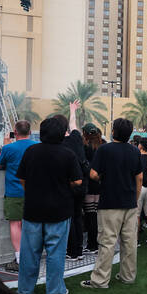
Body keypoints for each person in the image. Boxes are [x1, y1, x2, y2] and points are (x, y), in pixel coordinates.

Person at [15, 116, 83, 294]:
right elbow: (77, 180)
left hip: (33, 210)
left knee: (29, 253)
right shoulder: (68, 154)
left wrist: (32, 191)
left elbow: (22, 178)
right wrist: (62, 186)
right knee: (56, 253)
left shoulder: (31, 151)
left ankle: (25, 290)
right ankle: (54, 291)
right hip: (59, 211)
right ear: (62, 134)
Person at [83, 118, 142, 290]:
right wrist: (135, 198)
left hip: (109, 202)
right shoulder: (134, 151)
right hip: (130, 202)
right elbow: (139, 178)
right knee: (129, 242)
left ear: (114, 131)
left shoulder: (104, 149)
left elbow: (93, 174)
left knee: (107, 242)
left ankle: (100, 280)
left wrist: (102, 177)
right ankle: (128, 276)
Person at [0, 120, 36, 272]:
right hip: (34, 192)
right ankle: (31, 256)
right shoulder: (36, 146)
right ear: (30, 132)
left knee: (15, 224)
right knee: (32, 225)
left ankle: (19, 259)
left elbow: (0, 164)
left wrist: (5, 145)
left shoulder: (8, 148)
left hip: (14, 192)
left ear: (15, 132)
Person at [60, 111, 88, 260]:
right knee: (78, 216)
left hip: (68, 185)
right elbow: (73, 125)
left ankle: (72, 251)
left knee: (69, 218)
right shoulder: (76, 138)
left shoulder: (59, 143)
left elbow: (71, 125)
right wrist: (72, 110)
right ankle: (79, 250)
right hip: (81, 184)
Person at [82, 124, 104, 253]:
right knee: (97, 215)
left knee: (90, 216)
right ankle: (97, 242)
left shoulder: (85, 146)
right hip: (100, 183)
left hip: (89, 184)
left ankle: (92, 244)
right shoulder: (103, 145)